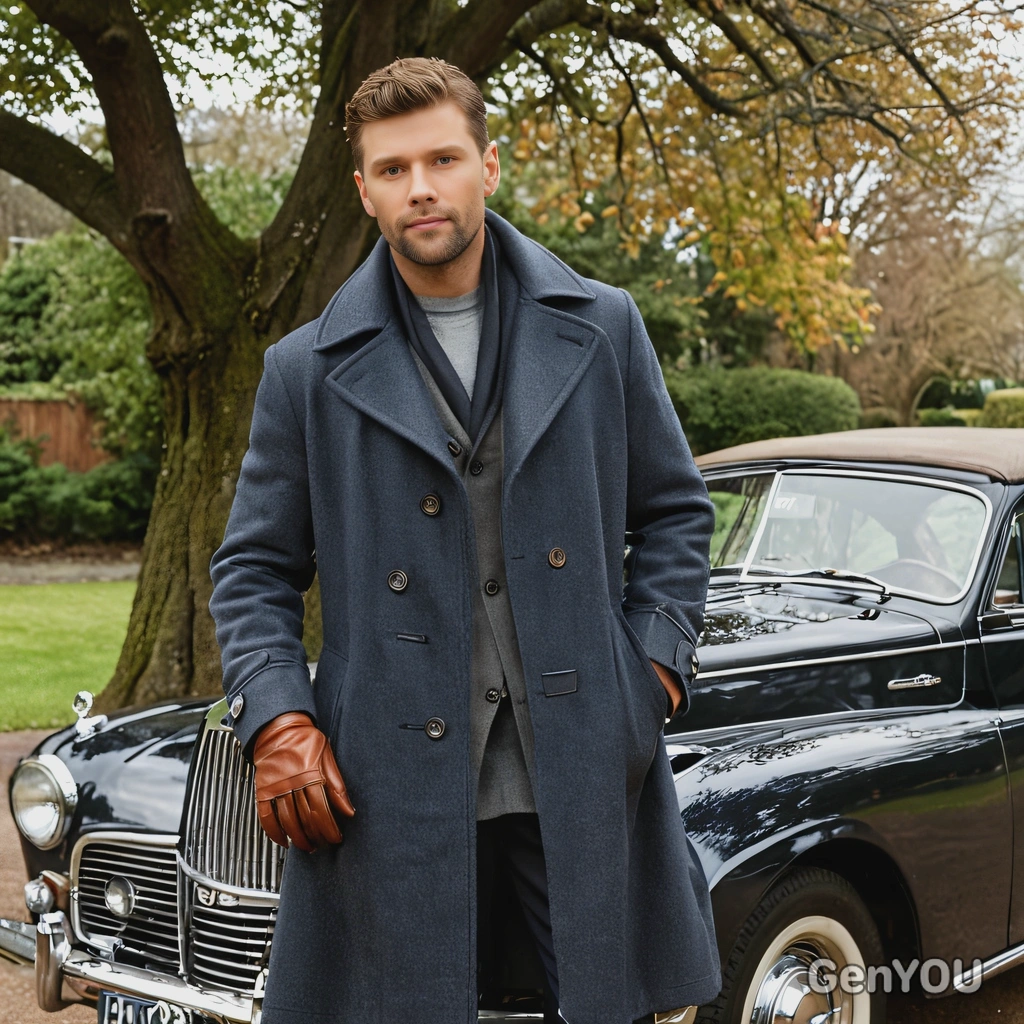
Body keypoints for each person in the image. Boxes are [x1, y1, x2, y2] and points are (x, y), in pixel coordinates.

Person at [209, 56, 720, 1024]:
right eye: (393, 169)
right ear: (364, 190)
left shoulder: (604, 326)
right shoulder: (303, 369)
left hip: (579, 755)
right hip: (385, 778)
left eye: (441, 159)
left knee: (607, 1008)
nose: (421, 187)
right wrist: (277, 719)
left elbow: (674, 512)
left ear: (487, 165)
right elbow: (253, 567)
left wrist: (649, 674)